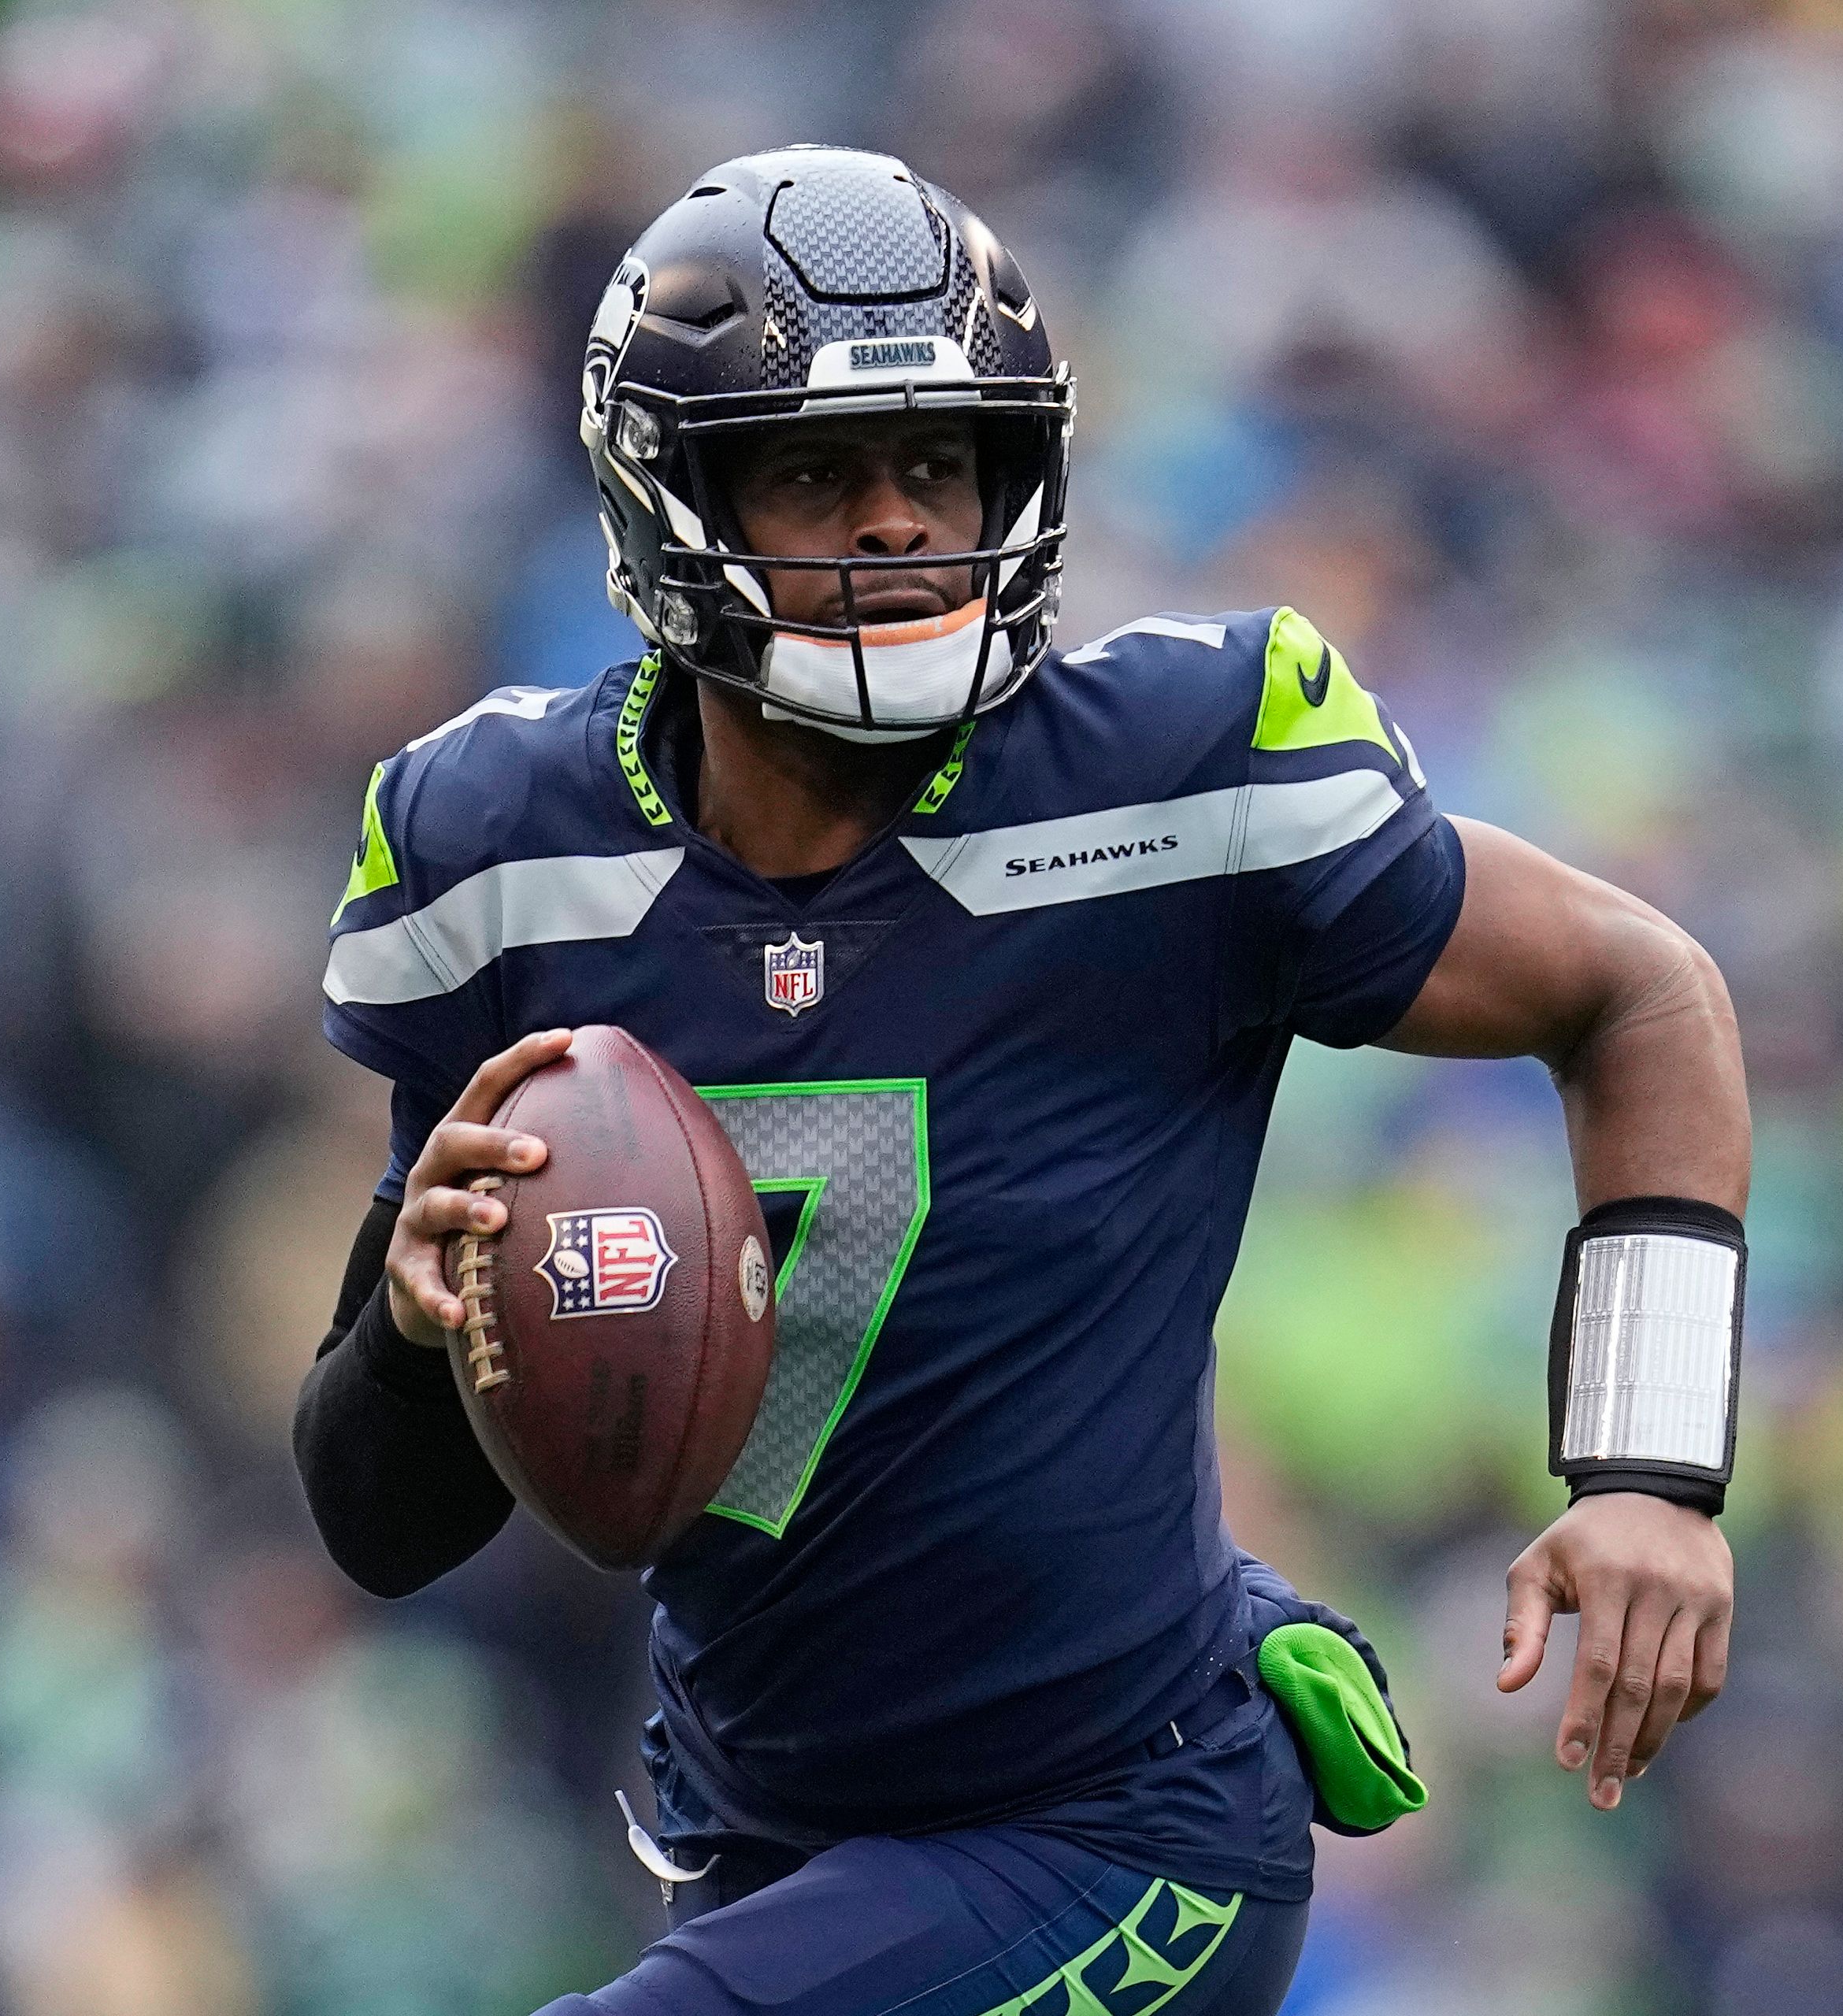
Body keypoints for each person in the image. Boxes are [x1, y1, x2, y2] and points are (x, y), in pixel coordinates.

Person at [295, 146, 1748, 2016]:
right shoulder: (501, 850)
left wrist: (1649, 1468)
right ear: (673, 495)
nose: (901, 523)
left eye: (943, 465)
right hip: (775, 1848)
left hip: (1121, 1825)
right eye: (822, 471)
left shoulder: (1179, 778)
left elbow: (1640, 988)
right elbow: (382, 1526)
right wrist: (418, 1332)